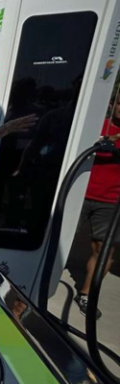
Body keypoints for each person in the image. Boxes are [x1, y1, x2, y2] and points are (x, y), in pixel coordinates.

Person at [74, 96, 120, 319]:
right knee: (56, 242)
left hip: (111, 201)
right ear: (112, 104)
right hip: (78, 193)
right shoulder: (96, 125)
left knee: (103, 250)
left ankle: (86, 295)